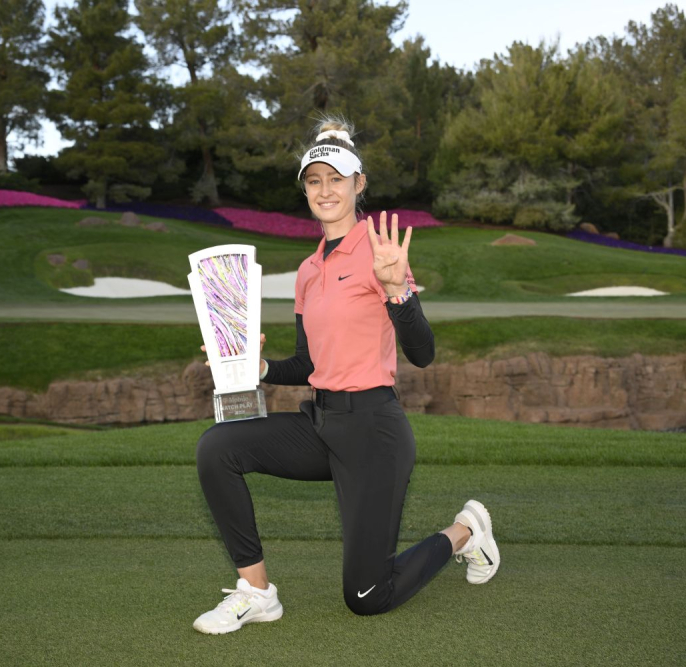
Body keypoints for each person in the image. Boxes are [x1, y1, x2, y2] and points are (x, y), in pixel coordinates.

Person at [192, 117, 500, 635]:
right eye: (314, 180)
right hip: (322, 423)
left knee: (367, 596)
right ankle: (257, 592)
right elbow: (308, 365)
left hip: (374, 432)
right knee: (216, 448)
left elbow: (423, 353)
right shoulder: (309, 271)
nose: (324, 190)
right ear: (306, 190)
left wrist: (398, 289)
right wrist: (255, 367)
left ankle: (466, 531)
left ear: (359, 185)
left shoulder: (379, 253)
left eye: (336, 178)